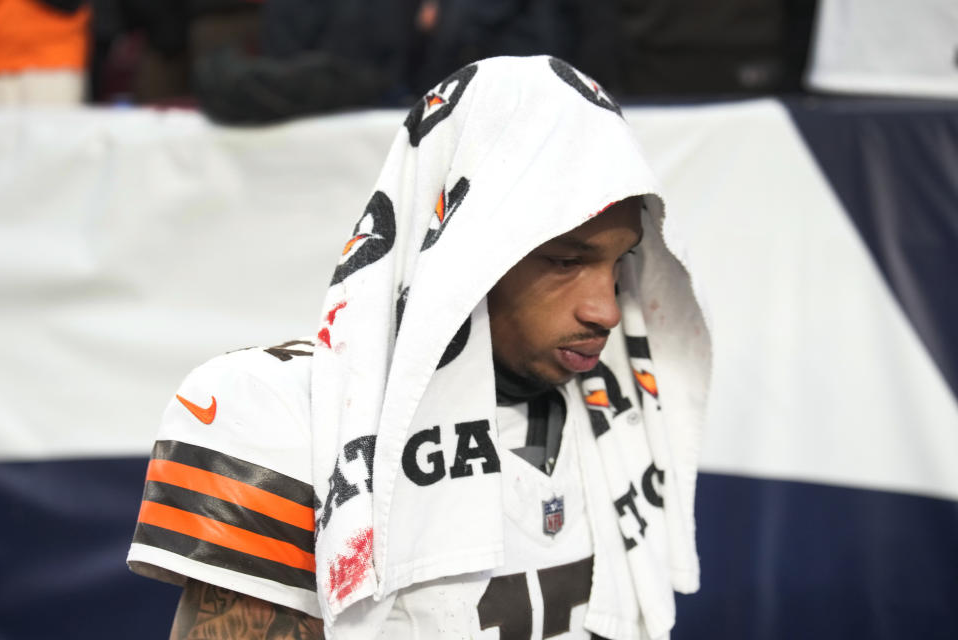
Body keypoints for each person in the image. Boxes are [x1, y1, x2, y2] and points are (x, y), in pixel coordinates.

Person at [128, 55, 711, 639]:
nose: (606, 309)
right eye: (565, 260)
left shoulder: (620, 417)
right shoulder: (281, 415)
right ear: (461, 244)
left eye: (619, 263)